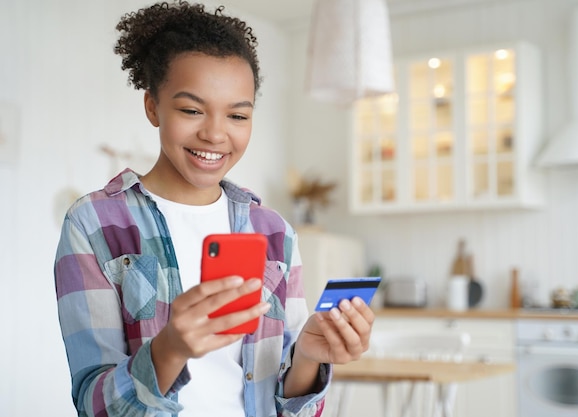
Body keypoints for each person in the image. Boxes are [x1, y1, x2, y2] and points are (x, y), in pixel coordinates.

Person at [53, 2, 375, 417]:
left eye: (238, 115)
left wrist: (309, 357)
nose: (215, 133)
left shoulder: (274, 232)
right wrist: (170, 348)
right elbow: (95, 406)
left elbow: (288, 406)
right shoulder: (95, 223)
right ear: (153, 106)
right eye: (191, 110)